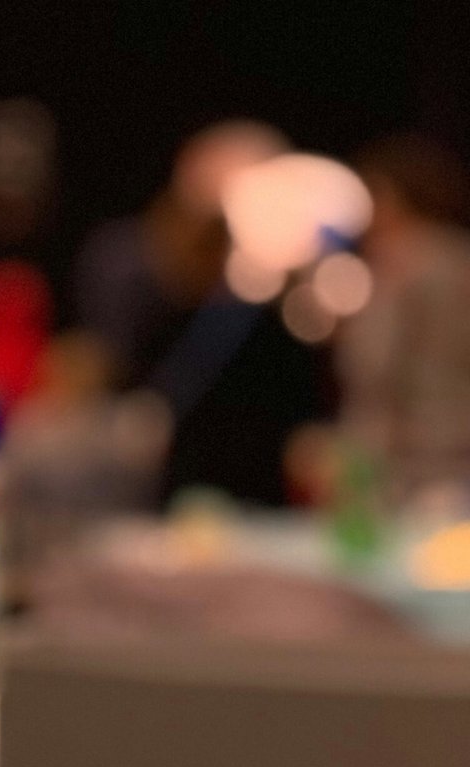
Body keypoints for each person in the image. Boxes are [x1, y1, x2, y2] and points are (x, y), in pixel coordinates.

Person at [75, 121, 327, 506]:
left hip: (259, 484)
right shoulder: (141, 276)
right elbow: (120, 363)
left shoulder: (281, 300)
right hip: (174, 485)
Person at [337, 134, 470, 502]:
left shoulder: (402, 262)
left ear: (391, 197)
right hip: (457, 446)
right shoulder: (459, 256)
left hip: (405, 456)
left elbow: (372, 363)